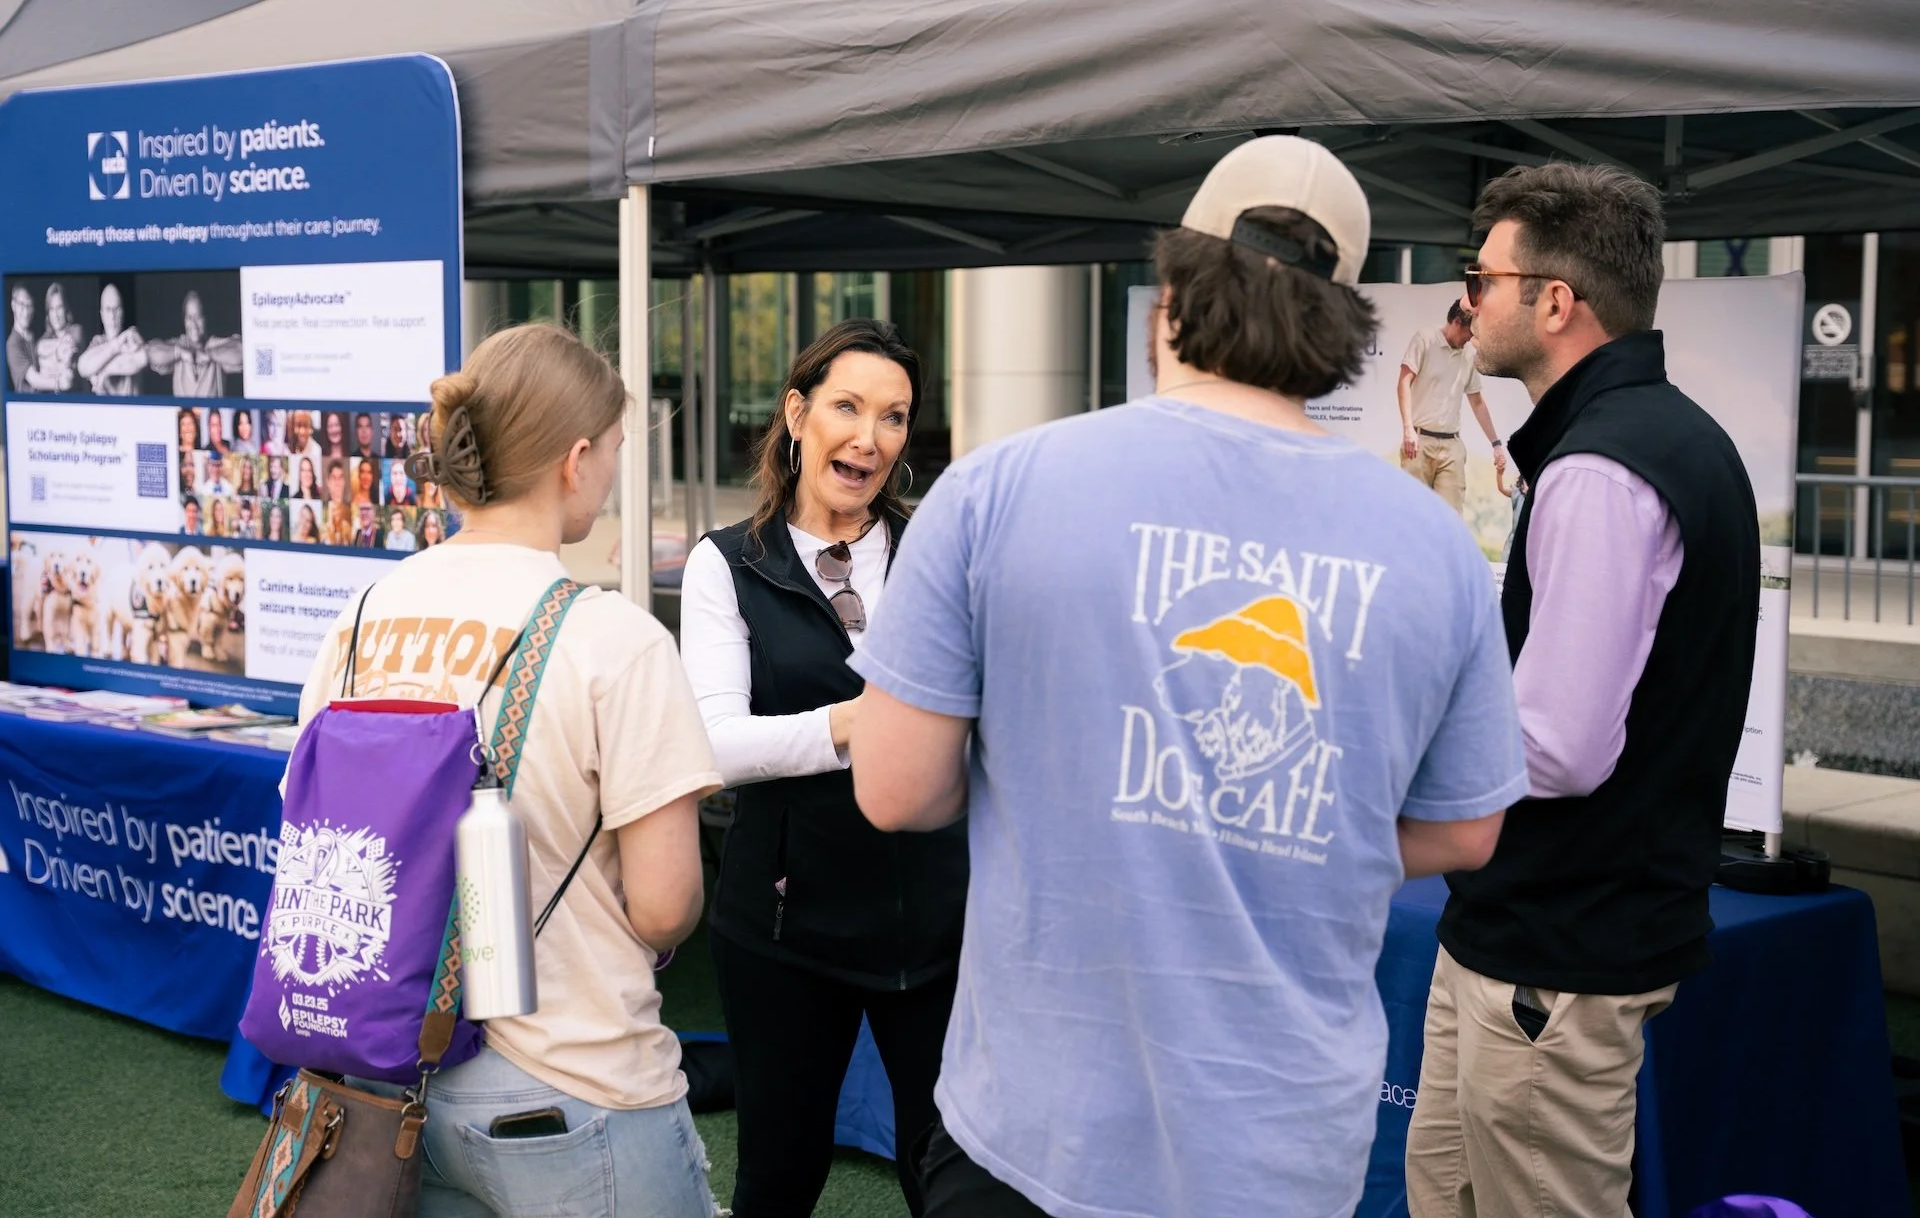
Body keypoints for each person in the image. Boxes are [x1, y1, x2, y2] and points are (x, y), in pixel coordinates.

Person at [845, 137, 1524, 1218]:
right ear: (1339, 323)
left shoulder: (997, 489)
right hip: (1280, 1148)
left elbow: (895, 787)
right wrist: (1272, 816)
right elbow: (1466, 828)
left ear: (1170, 295)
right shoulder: (1433, 545)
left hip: (1033, 1129)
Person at [1403, 164, 1761, 1218]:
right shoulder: (1641, 440)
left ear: (1555, 302)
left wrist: (1400, 727)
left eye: (1484, 277)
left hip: (1556, 954)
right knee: (1445, 1189)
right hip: (1528, 935)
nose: (1469, 304)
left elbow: (1557, 743)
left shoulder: (1604, 466)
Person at [307, 322, 721, 1217]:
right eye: (613, 452)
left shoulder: (362, 615)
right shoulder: (613, 637)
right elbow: (664, 903)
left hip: (388, 1079)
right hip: (577, 1080)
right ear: (575, 460)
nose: (611, 476)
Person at [678, 318, 964, 1218]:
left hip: (938, 927)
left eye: (893, 417)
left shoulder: (939, 553)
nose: (868, 438)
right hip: (780, 930)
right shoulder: (726, 564)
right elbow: (714, 745)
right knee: (780, 1176)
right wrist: (859, 721)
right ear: (797, 413)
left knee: (949, 1178)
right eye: (847, 406)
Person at [1396, 300, 1506, 513]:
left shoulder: (1468, 355)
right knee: (1413, 515)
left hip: (1451, 446)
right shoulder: (1425, 339)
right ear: (1456, 322)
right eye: (1469, 333)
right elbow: (1403, 383)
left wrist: (1496, 443)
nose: (1470, 339)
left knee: (1451, 518)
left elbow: (1477, 401)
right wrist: (1408, 429)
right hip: (1419, 442)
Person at [143, 291, 241, 397]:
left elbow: (242, 350)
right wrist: (179, 352)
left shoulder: (215, 345)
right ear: (184, 321)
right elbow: (151, 353)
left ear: (206, 318)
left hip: (212, 413)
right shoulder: (179, 344)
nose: (193, 324)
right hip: (182, 413)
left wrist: (210, 354)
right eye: (189, 318)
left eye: (198, 317)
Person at [76, 283, 147, 395]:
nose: (113, 316)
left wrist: (103, 371)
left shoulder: (132, 335)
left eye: (116, 309)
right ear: (102, 314)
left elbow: (141, 359)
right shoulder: (97, 342)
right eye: (108, 310)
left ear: (122, 312)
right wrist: (117, 346)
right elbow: (82, 368)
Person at [34, 283, 84, 392]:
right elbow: (39, 348)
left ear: (66, 308)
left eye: (59, 307)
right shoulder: (44, 339)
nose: (56, 315)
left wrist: (49, 365)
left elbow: (69, 366)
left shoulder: (76, 330)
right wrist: (59, 353)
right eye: (52, 309)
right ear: (48, 313)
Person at [7, 284, 34, 391]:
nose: (26, 312)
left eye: (30, 305)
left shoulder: (33, 338)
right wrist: (58, 383)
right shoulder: (12, 343)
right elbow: (34, 379)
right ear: (13, 305)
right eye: (22, 304)